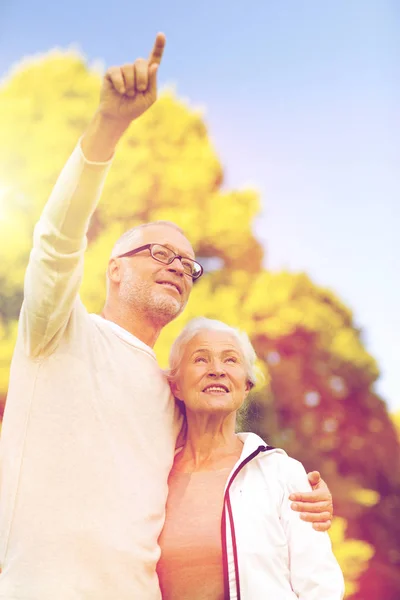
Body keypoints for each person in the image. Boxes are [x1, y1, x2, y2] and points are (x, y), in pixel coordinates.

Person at [0, 34, 333, 599]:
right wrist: (108, 125)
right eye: (159, 253)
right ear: (114, 270)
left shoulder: (172, 395)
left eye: (188, 263)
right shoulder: (55, 332)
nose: (179, 266)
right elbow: (57, 240)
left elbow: (219, 461)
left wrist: (298, 494)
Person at [157, 317, 345, 599]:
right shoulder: (153, 477)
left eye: (230, 360)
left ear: (246, 386)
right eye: (200, 359)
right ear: (176, 386)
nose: (216, 370)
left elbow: (321, 588)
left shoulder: (283, 474)